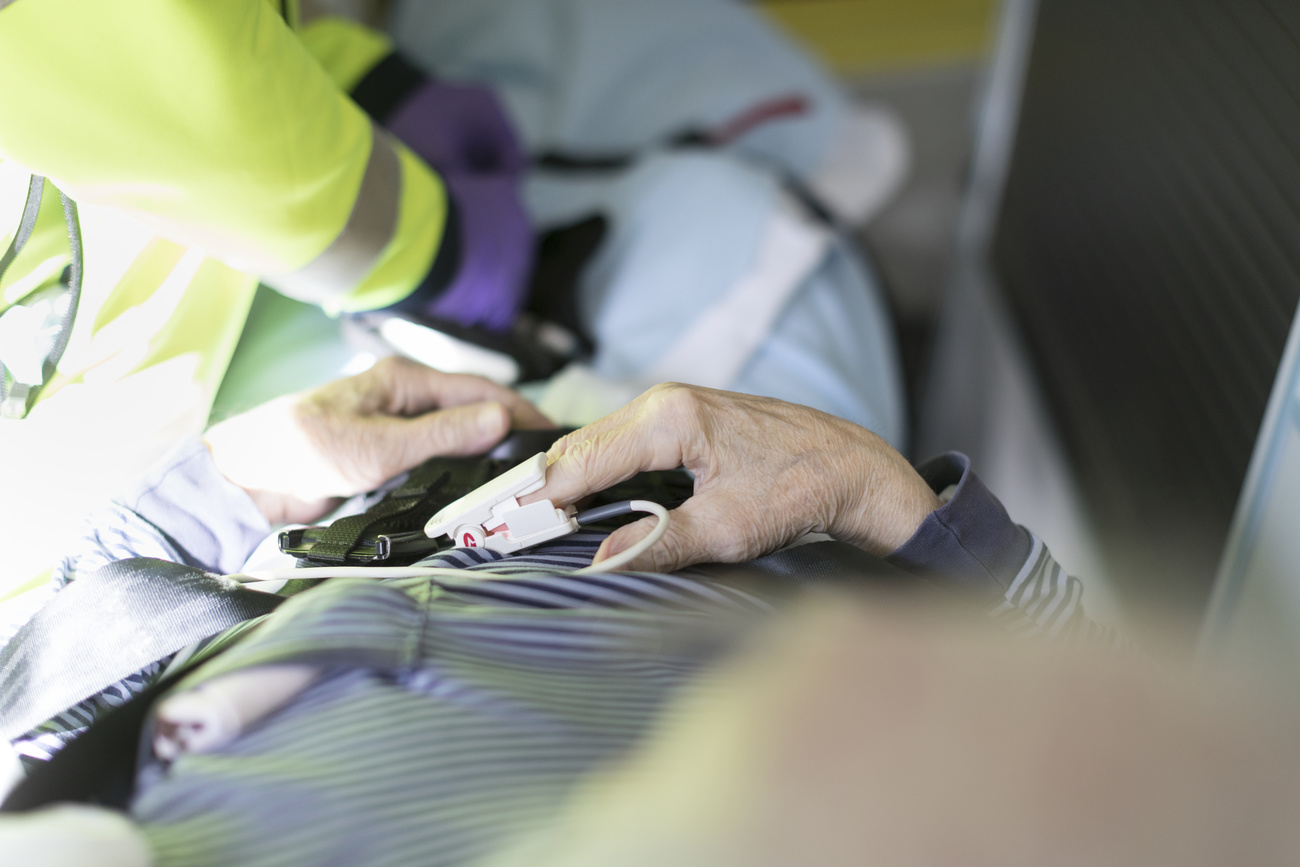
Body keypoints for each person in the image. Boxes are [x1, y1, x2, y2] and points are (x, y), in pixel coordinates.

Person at [1, 358, 1121, 866]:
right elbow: (1123, 773)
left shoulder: (38, 773)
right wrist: (877, 493)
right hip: (829, 547)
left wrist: (241, 471)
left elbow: (86, 611)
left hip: (478, 464)